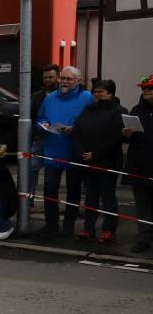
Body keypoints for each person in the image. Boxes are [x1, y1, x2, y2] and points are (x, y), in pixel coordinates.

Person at [36, 65, 93, 237]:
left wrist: (75, 128)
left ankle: (68, 225)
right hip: (53, 149)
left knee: (73, 190)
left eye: (68, 79)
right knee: (50, 189)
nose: (64, 82)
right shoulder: (50, 98)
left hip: (74, 150)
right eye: (62, 78)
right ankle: (51, 224)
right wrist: (43, 124)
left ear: (78, 81)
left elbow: (93, 121)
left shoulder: (87, 97)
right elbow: (40, 117)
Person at [71, 79, 125, 243]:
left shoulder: (119, 111)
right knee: (90, 197)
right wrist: (81, 152)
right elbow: (77, 131)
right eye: (95, 91)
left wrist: (96, 154)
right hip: (87, 161)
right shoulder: (88, 109)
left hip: (107, 162)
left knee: (108, 197)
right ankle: (88, 229)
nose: (96, 94)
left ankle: (108, 230)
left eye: (100, 91)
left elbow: (116, 138)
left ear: (110, 93)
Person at [123, 74, 153, 253]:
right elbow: (128, 139)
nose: (146, 91)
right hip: (139, 166)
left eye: (150, 88)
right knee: (142, 204)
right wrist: (126, 134)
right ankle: (144, 237)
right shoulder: (136, 110)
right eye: (144, 89)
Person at [28, 64, 60, 205]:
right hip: (39, 138)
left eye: (50, 77)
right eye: (45, 77)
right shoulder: (36, 96)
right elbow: (31, 116)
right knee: (31, 168)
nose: (47, 80)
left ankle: (50, 201)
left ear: (58, 77)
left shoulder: (62, 95)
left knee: (51, 174)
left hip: (57, 139)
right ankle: (29, 199)